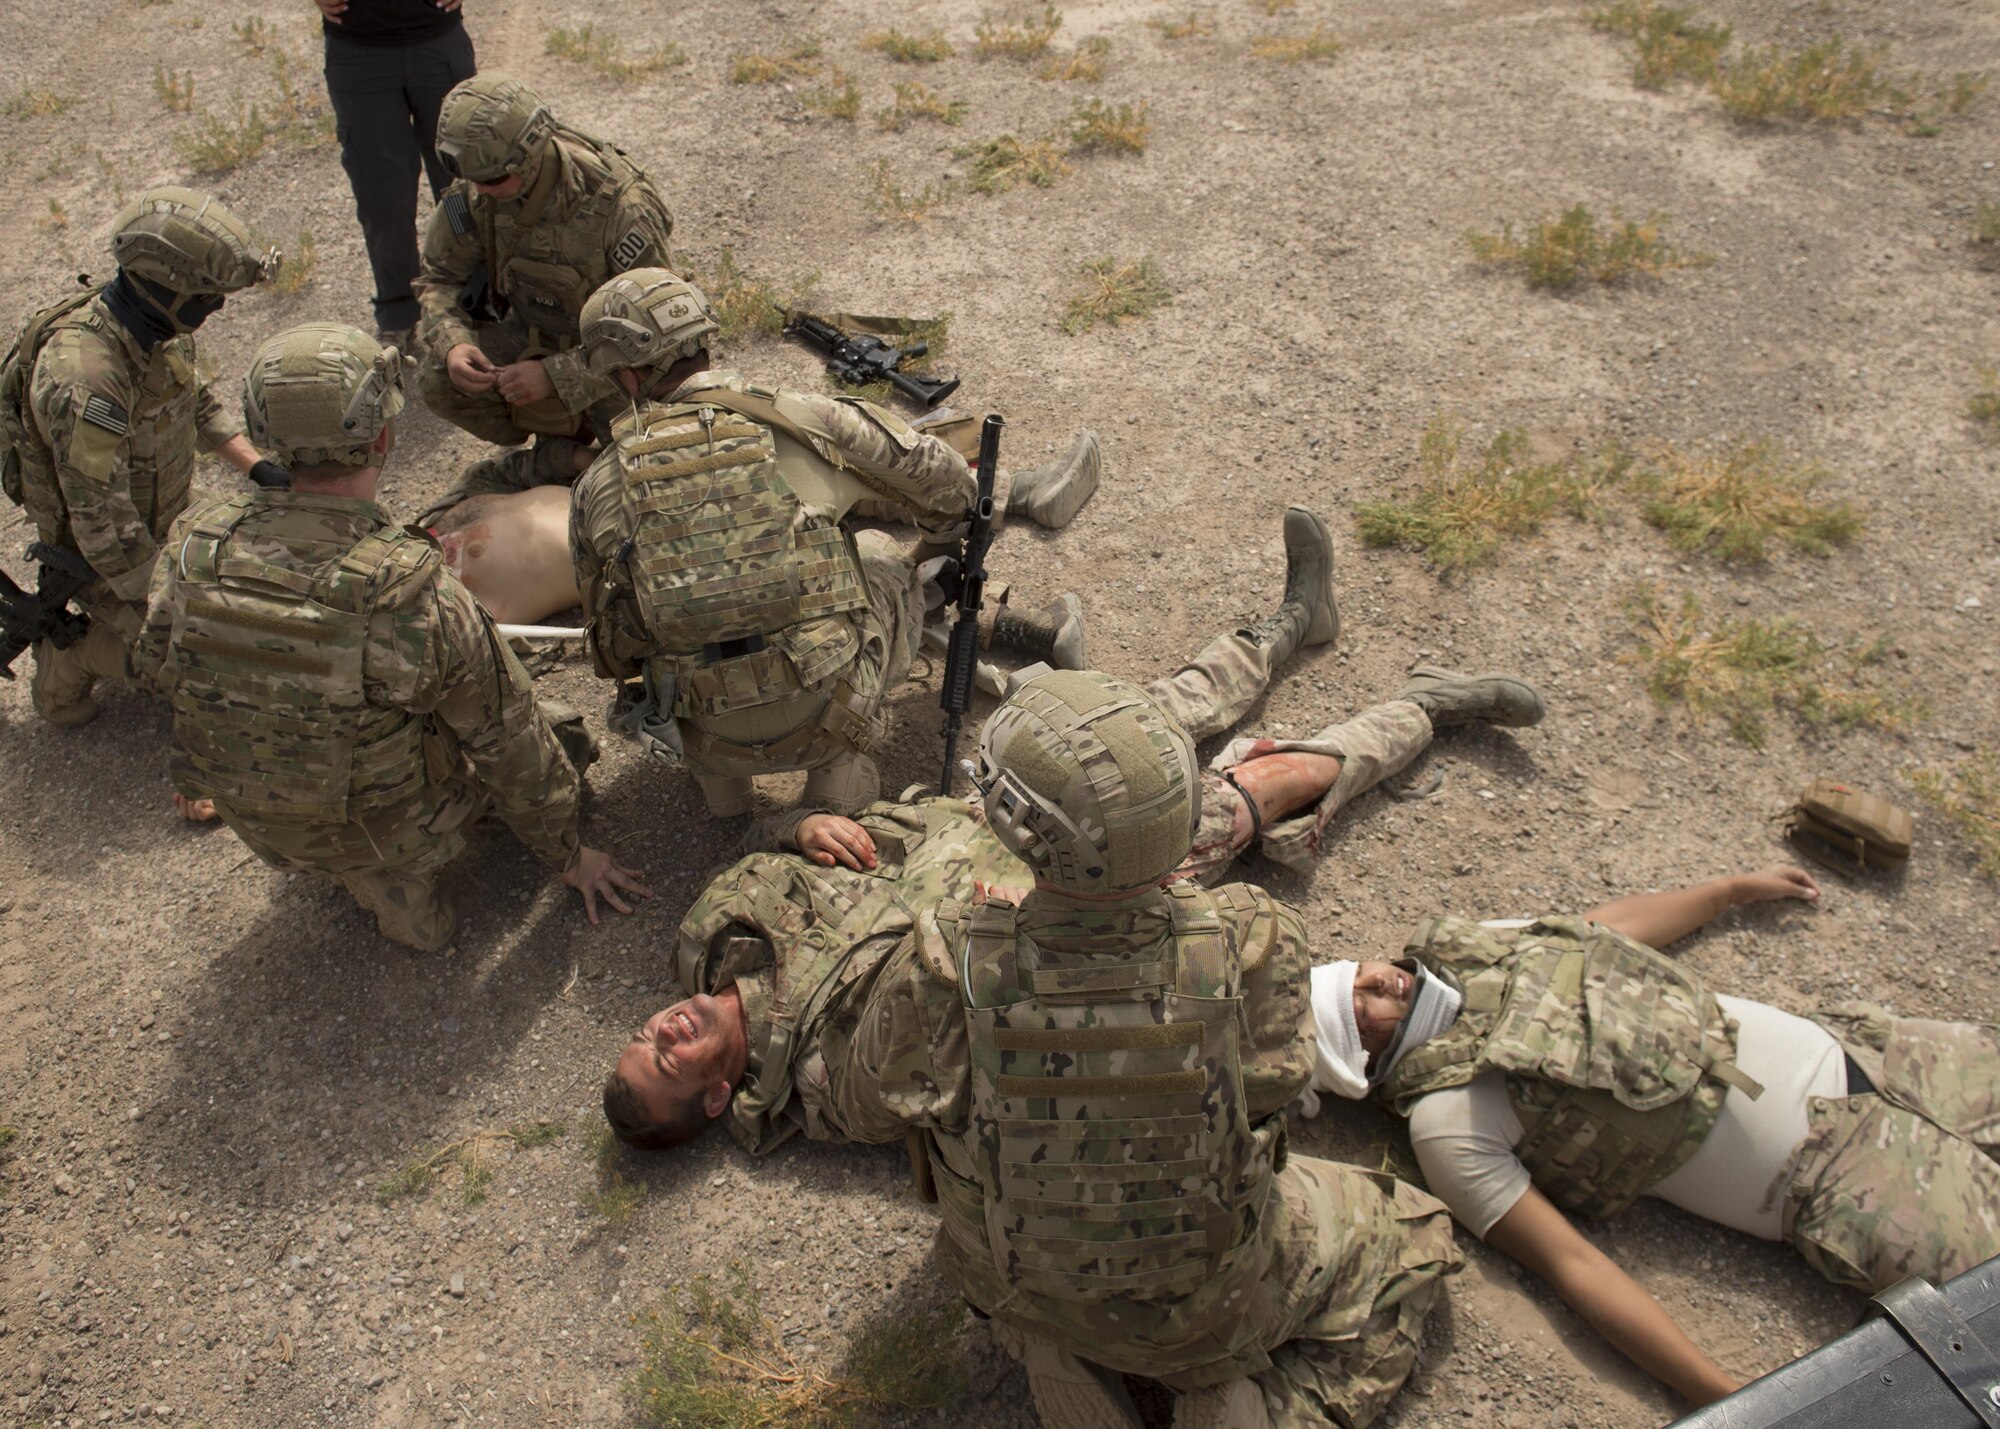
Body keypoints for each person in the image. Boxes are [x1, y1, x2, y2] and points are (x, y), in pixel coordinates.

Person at [1305, 866, 2000, 1407]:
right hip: (1850, 1179)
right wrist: (1727, 1396)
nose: (1375, 978)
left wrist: (1724, 891)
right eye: (1359, 1007)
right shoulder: (1446, 1120)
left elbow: (1600, 934)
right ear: (1361, 1064)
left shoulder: (1466, 951)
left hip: (1876, 1050)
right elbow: (1576, 1266)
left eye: (1353, 972)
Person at [131, 322, 651, 951]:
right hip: (380, 824)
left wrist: (201, 779)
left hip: (254, 819)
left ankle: (371, 871)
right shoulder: (412, 592)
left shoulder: (194, 547)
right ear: (382, 435)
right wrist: (570, 854)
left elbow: (163, 669)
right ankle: (385, 870)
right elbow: (509, 740)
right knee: (564, 737)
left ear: (264, 434)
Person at [569, 269, 1093, 818]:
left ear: (624, 375)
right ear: (703, 338)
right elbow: (947, 484)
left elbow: (607, 630)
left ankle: (727, 794)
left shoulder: (595, 488)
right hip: (824, 716)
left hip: (700, 734)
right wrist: (934, 549)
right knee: (878, 555)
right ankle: (836, 779)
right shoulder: (800, 416)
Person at [4, 187, 278, 728]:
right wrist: (178, 606)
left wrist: (257, 466)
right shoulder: (86, 378)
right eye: (207, 296)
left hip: (167, 518)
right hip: (105, 561)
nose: (216, 306)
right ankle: (72, 655)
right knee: (218, 667)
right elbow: (102, 528)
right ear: (164, 288)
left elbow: (192, 399)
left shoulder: (156, 327)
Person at [412, 72, 675, 516]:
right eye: (474, 180)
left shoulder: (617, 205)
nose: (480, 192)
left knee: (650, 485)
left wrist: (557, 375)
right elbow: (439, 279)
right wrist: (453, 343)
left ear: (530, 155)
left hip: (618, 358)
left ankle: (576, 453)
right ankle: (558, 448)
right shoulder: (480, 189)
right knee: (438, 377)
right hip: (531, 334)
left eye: (492, 180)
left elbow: (659, 323)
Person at [316, 0, 479, 344]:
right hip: (359, 53)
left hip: (437, 42)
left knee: (459, 189)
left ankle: (473, 301)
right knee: (383, 198)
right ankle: (398, 311)